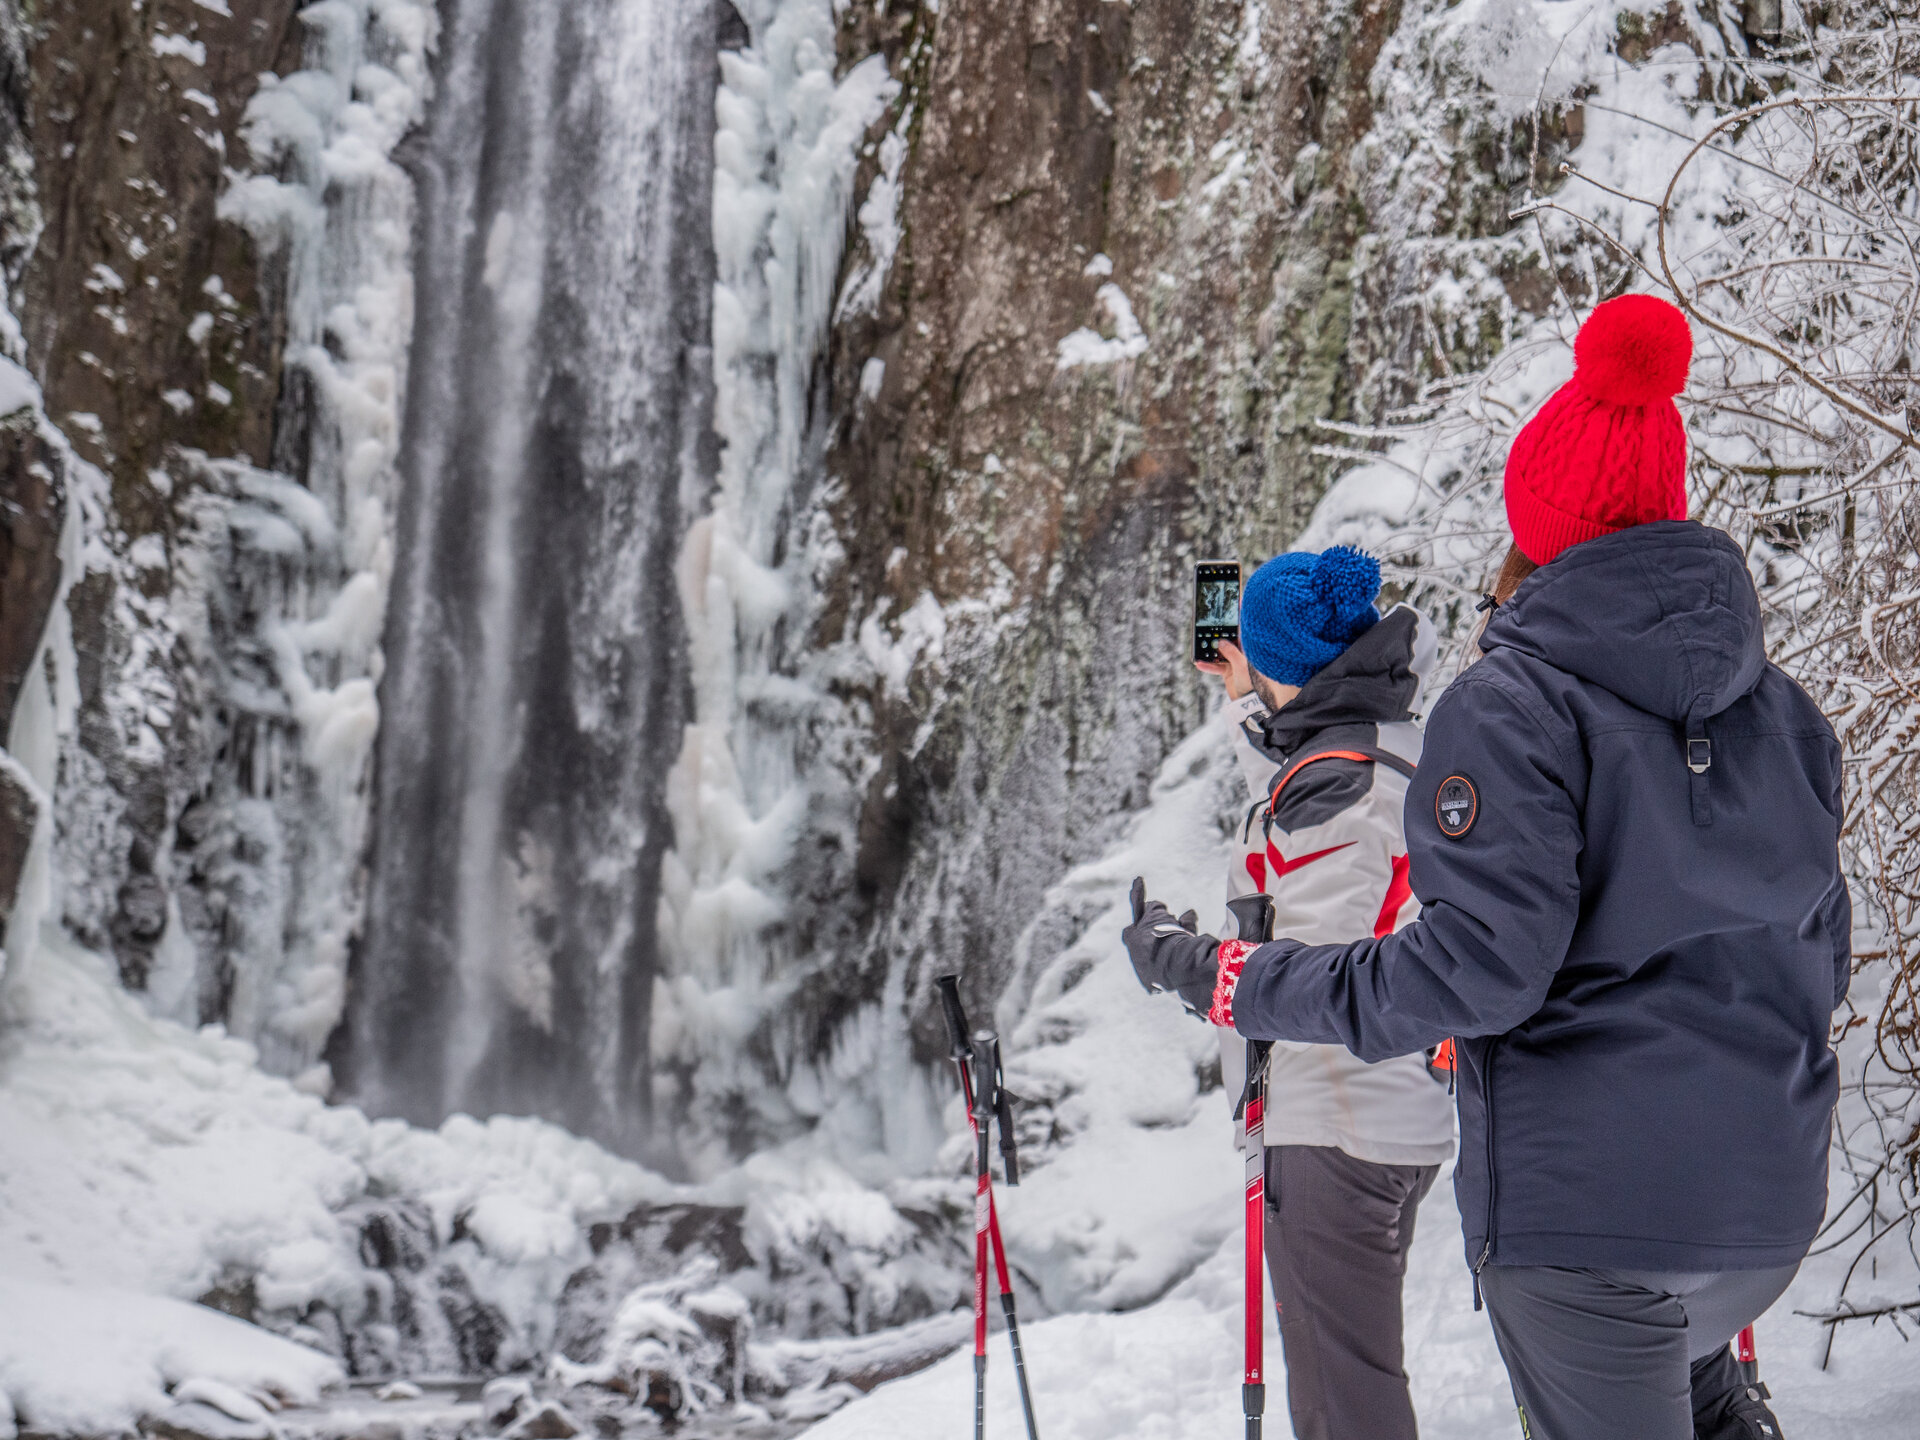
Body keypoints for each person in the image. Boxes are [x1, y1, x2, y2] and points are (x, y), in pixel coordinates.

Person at [1125, 294, 1835, 1440]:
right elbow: (1817, 953)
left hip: (1586, 1220)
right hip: (1764, 1211)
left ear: (1534, 521)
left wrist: (1228, 976)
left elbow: (1473, 972)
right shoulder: (1784, 715)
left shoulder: (1507, 708)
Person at [1136, 546, 1456, 1440]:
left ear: (1288, 668)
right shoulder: (1386, 744)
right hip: (1398, 1114)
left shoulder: (1333, 786)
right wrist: (1250, 696)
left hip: (1331, 1128)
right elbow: (1303, 804)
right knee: (1355, 1382)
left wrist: (1180, 960)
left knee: (1343, 1408)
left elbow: (1311, 977)